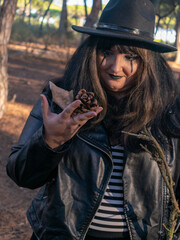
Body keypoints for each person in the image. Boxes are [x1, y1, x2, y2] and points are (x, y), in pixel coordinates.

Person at [6, 0, 180, 239]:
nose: (115, 67)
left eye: (130, 56)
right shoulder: (61, 98)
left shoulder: (169, 113)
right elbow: (21, 175)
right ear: (91, 52)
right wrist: (50, 142)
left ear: (147, 62)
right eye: (106, 52)